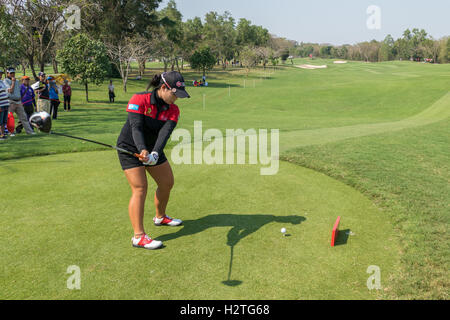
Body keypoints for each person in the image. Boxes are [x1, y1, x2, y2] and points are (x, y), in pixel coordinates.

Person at [116, 71, 190, 250]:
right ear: (164, 88)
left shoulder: (174, 110)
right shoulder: (139, 99)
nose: (176, 99)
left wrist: (155, 153)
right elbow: (136, 128)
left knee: (167, 183)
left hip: (152, 150)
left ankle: (160, 217)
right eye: (174, 94)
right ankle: (139, 236)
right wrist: (142, 150)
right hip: (130, 148)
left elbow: (164, 134)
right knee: (140, 188)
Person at [4, 68, 34, 135]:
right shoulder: (5, 81)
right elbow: (10, 91)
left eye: (13, 73)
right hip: (11, 101)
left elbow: (18, 91)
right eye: (11, 73)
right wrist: (13, 82)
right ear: (7, 74)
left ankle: (30, 132)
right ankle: (10, 132)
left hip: (18, 101)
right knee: (9, 119)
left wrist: (20, 99)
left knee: (24, 118)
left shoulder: (17, 81)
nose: (12, 74)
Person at [0, 70, 10, 140]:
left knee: (4, 120)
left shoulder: (2, 82)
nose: (1, 75)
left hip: (6, 103)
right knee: (0, 121)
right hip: (1, 104)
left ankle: (3, 134)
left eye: (1, 74)